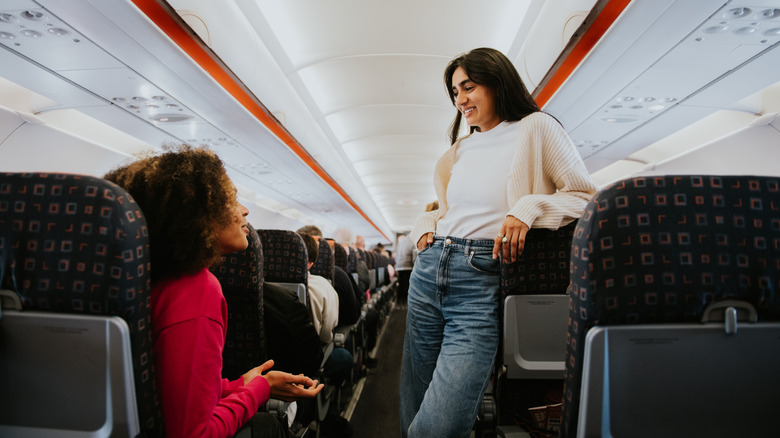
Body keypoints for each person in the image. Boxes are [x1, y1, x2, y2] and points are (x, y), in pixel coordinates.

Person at [400, 48, 598, 438]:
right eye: (455, 92)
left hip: (481, 276)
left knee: (438, 425)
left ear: (498, 82)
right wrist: (424, 225)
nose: (460, 100)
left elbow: (584, 196)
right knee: (414, 404)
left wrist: (528, 208)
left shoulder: (536, 128)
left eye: (468, 87)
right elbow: (447, 209)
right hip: (429, 270)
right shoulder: (458, 151)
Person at [104, 146, 323, 438]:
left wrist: (242, 385)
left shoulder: (139, 277)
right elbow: (195, 433)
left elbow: (159, 390)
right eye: (231, 199)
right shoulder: (196, 290)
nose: (245, 209)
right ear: (197, 214)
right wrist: (261, 390)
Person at [394, 234, 416, 305]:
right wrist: (414, 266)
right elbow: (414, 255)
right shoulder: (411, 241)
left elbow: (396, 256)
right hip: (408, 266)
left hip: (399, 267)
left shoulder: (399, 244)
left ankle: (399, 301)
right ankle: (405, 302)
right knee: (406, 285)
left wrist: (396, 267)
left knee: (400, 284)